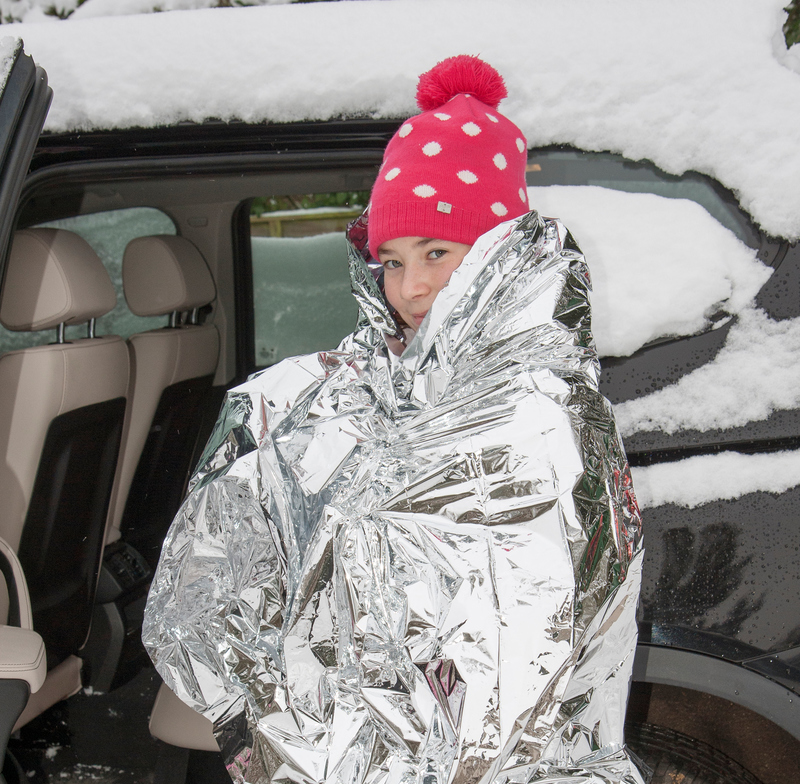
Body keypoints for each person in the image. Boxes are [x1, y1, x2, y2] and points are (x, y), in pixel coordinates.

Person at [143, 56, 645, 784]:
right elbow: (221, 559)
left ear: (495, 256)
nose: (410, 286)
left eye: (437, 253)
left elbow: (523, 666)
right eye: (391, 258)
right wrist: (245, 712)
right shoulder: (335, 394)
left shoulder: (542, 420)